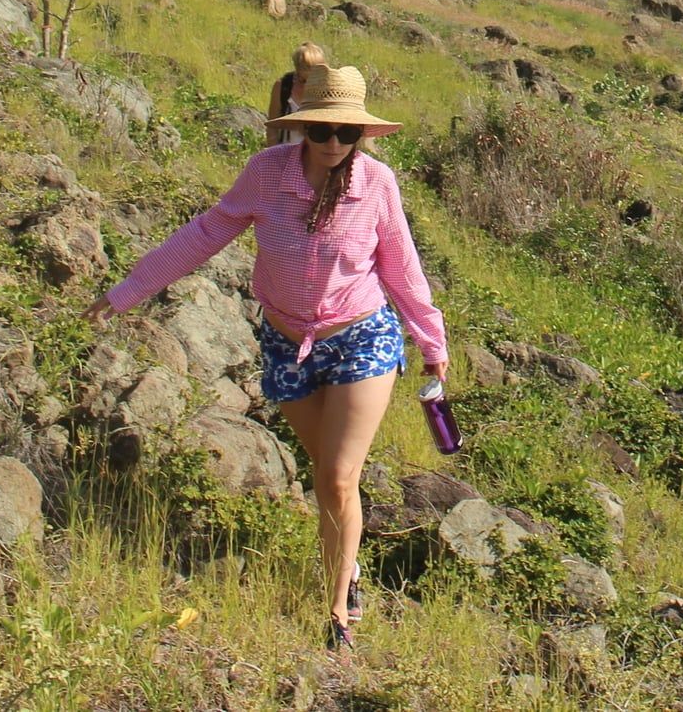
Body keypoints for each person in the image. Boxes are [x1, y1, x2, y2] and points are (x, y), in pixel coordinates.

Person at [86, 61, 447, 653]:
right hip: (286, 344)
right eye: (322, 132)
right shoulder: (267, 173)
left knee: (336, 475)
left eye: (347, 133)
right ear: (302, 128)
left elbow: (400, 268)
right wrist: (127, 292)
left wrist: (431, 343)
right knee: (330, 477)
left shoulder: (377, 184)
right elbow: (207, 232)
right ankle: (349, 565)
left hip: (361, 337)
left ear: (363, 135)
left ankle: (337, 612)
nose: (334, 144)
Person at [268, 41, 329, 122]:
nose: (307, 84)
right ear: (297, 68)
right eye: (303, 80)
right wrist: (272, 135)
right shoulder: (283, 86)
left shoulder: (330, 88)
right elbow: (272, 122)